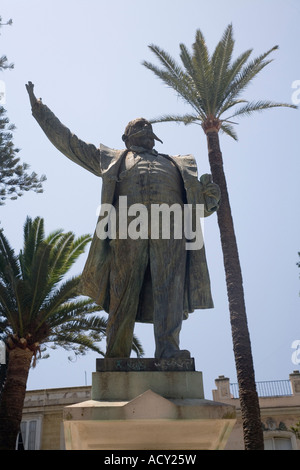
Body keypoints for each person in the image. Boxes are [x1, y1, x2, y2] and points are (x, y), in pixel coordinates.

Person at [25, 81, 220, 360]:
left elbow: (202, 206)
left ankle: (169, 350)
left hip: (172, 228)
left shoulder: (178, 164)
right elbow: (72, 144)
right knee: (123, 289)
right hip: (128, 229)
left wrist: (211, 195)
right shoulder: (113, 159)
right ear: (126, 138)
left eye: (146, 125)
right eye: (137, 125)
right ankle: (117, 354)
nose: (143, 126)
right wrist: (40, 110)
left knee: (170, 291)